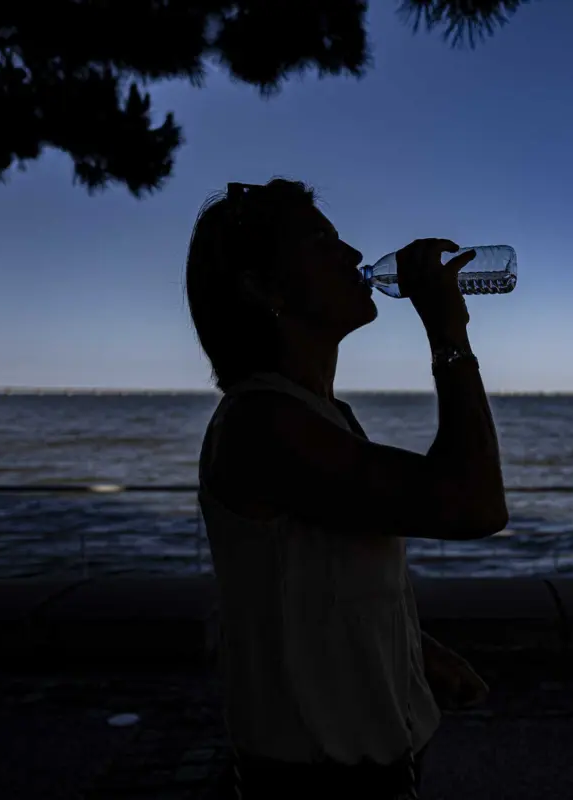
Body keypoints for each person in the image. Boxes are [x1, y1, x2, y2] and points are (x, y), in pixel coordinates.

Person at [186, 179, 508, 799]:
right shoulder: (263, 425)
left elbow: (321, 583)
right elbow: (475, 503)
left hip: (375, 768)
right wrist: (447, 333)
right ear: (264, 287)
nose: (352, 253)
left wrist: (414, 652)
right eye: (322, 242)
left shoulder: (321, 416)